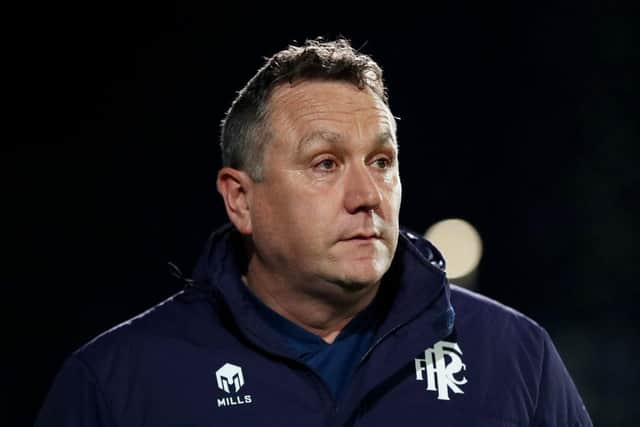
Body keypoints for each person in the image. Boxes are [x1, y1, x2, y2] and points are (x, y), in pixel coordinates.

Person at [35, 38, 592, 426]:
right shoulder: (116, 383)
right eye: (325, 163)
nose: (367, 196)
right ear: (241, 199)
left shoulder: (515, 356)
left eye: (381, 161)